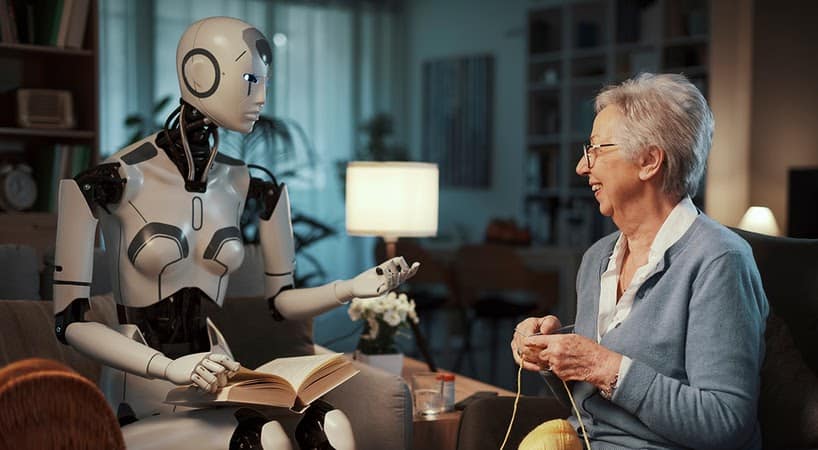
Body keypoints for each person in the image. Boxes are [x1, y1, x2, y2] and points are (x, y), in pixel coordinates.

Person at [52, 17, 418, 450]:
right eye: (250, 80)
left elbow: (282, 302)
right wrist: (169, 368)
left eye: (264, 82)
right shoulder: (108, 181)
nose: (262, 98)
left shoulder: (249, 184)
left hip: (218, 379)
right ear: (200, 72)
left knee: (331, 426)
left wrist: (353, 287)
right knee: (261, 439)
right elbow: (70, 323)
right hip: (143, 392)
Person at [511, 73, 769, 449]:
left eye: (596, 149)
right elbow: (592, 406)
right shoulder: (598, 258)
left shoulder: (719, 260)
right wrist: (550, 353)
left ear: (649, 161)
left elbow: (725, 421)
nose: (582, 167)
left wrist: (603, 365)